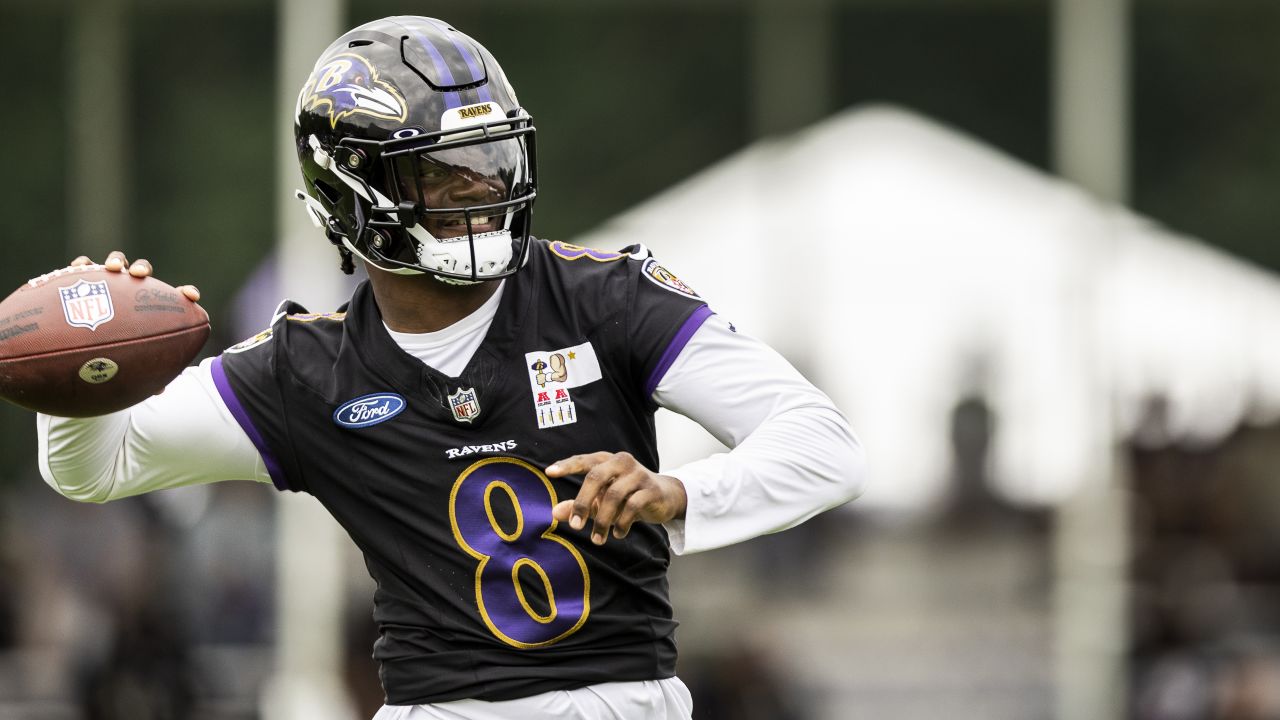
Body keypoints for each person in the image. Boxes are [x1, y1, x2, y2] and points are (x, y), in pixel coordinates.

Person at [37, 15, 864, 720]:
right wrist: (81, 367)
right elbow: (92, 467)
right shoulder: (306, 369)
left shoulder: (605, 297)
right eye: (440, 171)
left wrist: (681, 492)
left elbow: (825, 445)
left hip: (621, 700)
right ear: (351, 190)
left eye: (491, 159)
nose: (480, 187)